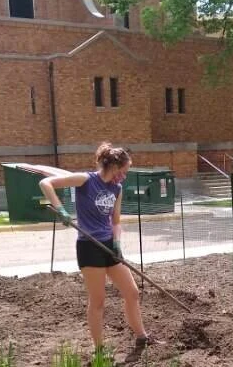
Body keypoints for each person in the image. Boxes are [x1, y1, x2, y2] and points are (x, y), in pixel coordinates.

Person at [38, 143, 157, 352]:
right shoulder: (86, 180)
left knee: (132, 292)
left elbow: (116, 221)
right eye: (123, 171)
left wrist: (117, 242)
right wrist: (61, 210)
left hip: (108, 245)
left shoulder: (116, 188)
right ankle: (99, 349)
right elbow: (45, 183)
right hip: (88, 246)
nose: (124, 177)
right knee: (98, 300)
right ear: (113, 166)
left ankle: (142, 337)